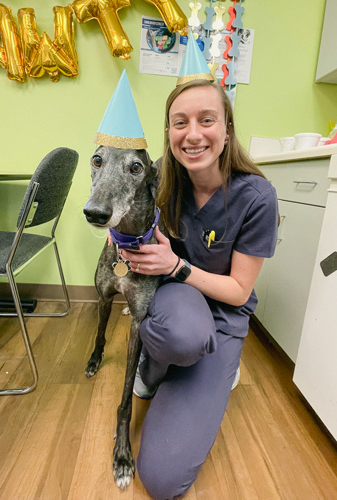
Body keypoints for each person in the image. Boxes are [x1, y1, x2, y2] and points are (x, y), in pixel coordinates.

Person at [121, 78, 278, 499]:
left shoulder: (257, 196)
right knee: (183, 335)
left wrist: (177, 265)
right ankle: (156, 368)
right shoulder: (161, 180)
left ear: (227, 129)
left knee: (161, 478)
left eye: (206, 120)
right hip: (178, 302)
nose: (192, 134)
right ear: (169, 132)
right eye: (179, 122)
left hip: (225, 312)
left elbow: (240, 292)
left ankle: (214, 362)